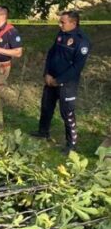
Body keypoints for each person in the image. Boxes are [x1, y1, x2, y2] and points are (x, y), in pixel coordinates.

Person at [32, 11, 91, 154]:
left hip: (67, 84)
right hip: (50, 80)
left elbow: (77, 67)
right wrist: (47, 73)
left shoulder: (82, 41)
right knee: (46, 107)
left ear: (73, 23)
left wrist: (58, 80)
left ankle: (71, 144)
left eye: (63, 22)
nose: (60, 25)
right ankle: (43, 132)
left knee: (67, 114)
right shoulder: (61, 34)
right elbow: (51, 53)